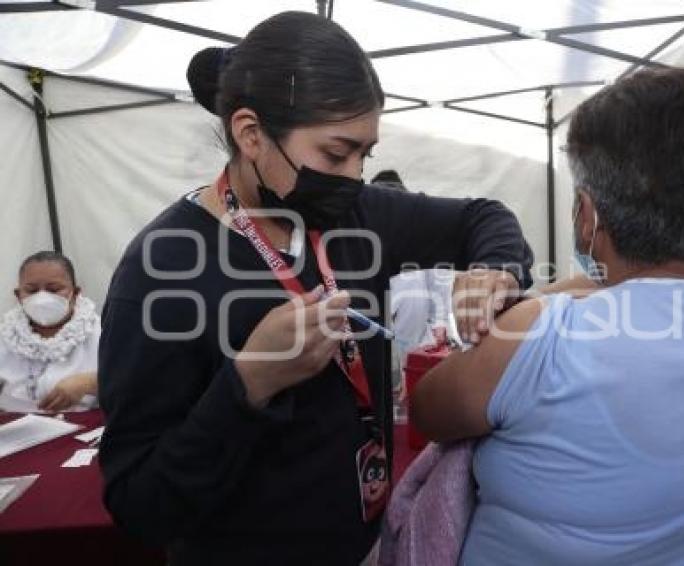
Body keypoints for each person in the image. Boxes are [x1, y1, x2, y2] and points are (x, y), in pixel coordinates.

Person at [97, 11, 533, 566]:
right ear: (251, 133)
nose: (353, 175)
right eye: (335, 153)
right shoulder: (161, 268)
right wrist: (250, 382)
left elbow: (482, 216)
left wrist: (494, 269)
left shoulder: (357, 214)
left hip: (370, 542)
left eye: (364, 155)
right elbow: (141, 504)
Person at [410, 67, 684, 565]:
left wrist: (526, 304)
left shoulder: (540, 338)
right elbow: (636, 290)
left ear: (587, 215)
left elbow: (426, 410)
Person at [0, 251, 99, 412]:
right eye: (32, 291)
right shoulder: (5, 335)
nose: (42, 298)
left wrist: (91, 382)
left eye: (53, 289)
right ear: (18, 296)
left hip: (83, 430)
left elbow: (136, 380)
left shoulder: (103, 334)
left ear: (75, 293)